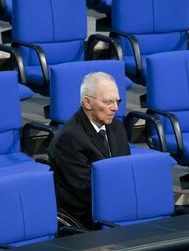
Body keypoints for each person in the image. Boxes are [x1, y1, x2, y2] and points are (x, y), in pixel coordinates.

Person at [48, 72, 130, 229]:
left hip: (115, 201)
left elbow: (124, 167)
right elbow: (85, 190)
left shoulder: (116, 126)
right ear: (87, 102)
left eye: (117, 101)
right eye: (108, 102)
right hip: (86, 214)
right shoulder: (69, 139)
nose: (115, 108)